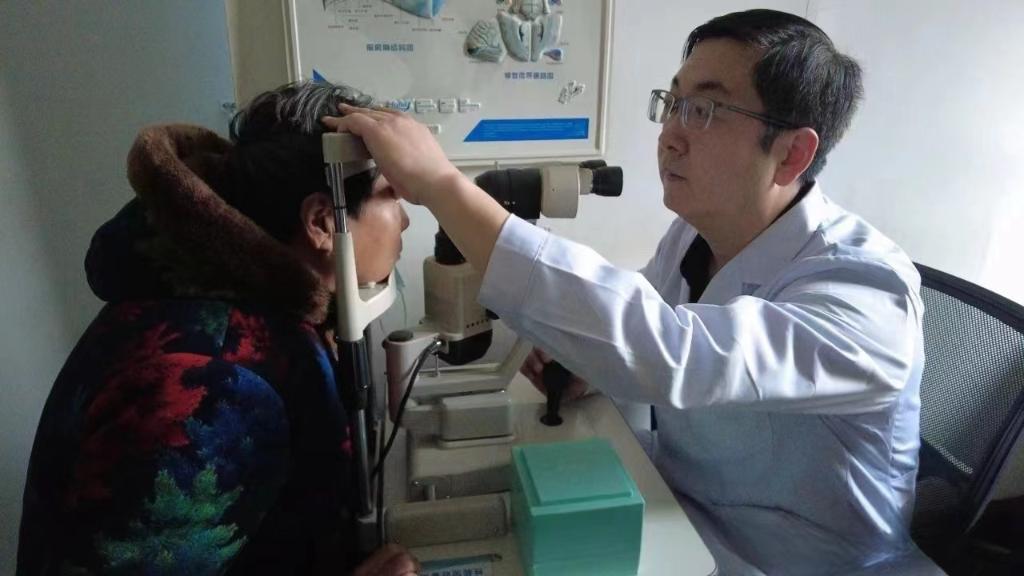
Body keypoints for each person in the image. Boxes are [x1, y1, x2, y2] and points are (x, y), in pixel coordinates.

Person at [323, 9, 925, 575]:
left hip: (795, 560)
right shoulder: (696, 232)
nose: (670, 135)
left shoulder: (866, 290)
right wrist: (590, 366)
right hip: (680, 508)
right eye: (673, 103)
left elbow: (672, 351)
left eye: (705, 111)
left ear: (792, 153)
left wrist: (441, 184)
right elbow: (637, 322)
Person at [18, 81, 419, 575]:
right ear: (321, 222)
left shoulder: (263, 308)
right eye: (390, 196)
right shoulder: (211, 383)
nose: (404, 222)